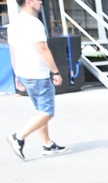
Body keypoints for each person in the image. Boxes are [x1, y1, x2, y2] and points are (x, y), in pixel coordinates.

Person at [6, 0, 66, 160]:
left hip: (24, 73)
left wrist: (16, 75)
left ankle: (47, 144)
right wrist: (55, 72)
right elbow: (43, 48)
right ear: (29, 1)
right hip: (38, 74)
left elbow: (13, 51)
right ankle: (18, 137)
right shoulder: (34, 24)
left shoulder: (13, 24)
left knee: (40, 110)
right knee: (47, 112)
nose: (41, 2)